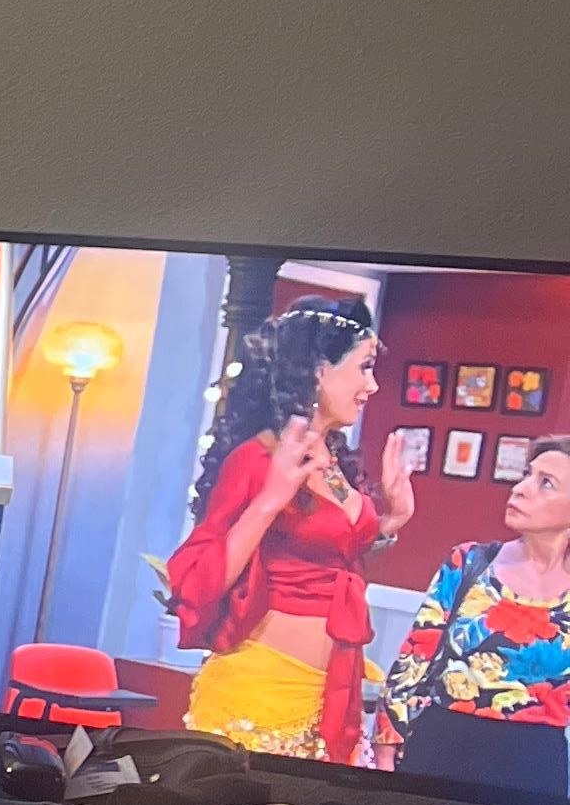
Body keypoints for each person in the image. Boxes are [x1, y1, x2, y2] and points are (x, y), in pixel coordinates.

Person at [162, 296, 415, 764]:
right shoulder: (256, 459)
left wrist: (390, 521)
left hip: (328, 692)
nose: (373, 385)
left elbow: (333, 557)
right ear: (319, 371)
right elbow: (200, 578)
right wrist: (269, 500)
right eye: (363, 368)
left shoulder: (334, 460)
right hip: (258, 691)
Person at [381, 435, 570, 805]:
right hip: (440, 747)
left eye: (546, 483)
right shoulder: (469, 562)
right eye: (527, 474)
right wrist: (386, 748)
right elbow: (415, 657)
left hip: (534, 768)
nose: (520, 489)